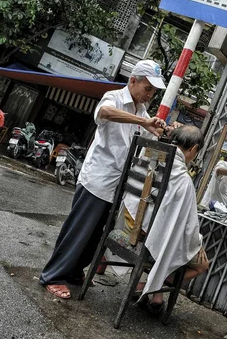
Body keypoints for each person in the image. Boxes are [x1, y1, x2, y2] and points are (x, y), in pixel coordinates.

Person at [39, 59, 167, 300]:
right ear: (133, 81)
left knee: (96, 235)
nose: (150, 94)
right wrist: (143, 122)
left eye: (154, 91)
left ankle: (75, 271)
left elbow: (148, 128)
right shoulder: (114, 98)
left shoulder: (141, 109)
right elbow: (104, 113)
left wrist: (159, 126)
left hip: (116, 185)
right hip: (98, 179)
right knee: (78, 231)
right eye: (148, 88)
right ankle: (53, 276)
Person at [123, 125, 209, 313]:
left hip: (126, 224)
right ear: (194, 149)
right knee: (201, 262)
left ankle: (153, 291)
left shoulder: (151, 154)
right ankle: (155, 286)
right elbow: (188, 227)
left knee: (172, 241)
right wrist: (198, 242)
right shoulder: (183, 178)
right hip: (145, 236)